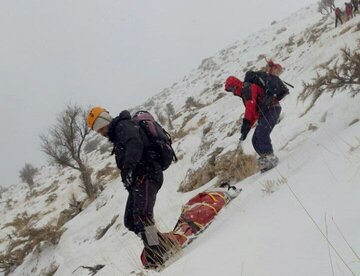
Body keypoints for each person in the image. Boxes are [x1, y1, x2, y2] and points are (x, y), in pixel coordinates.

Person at [87, 107, 175, 268]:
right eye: (97, 130)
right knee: (130, 221)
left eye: (100, 127)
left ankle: (157, 254)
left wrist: (128, 169)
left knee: (143, 216)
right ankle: (161, 244)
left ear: (106, 120)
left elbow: (135, 144)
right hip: (140, 180)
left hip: (149, 174)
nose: (100, 132)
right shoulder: (117, 133)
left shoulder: (123, 126)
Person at [224, 76, 281, 172]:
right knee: (255, 140)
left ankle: (270, 158)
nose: (233, 91)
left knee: (261, 133)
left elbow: (250, 107)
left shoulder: (247, 89)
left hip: (272, 108)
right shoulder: (244, 94)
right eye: (230, 90)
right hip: (265, 112)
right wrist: (246, 129)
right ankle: (265, 159)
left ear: (236, 84)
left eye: (232, 88)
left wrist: (246, 122)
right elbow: (254, 113)